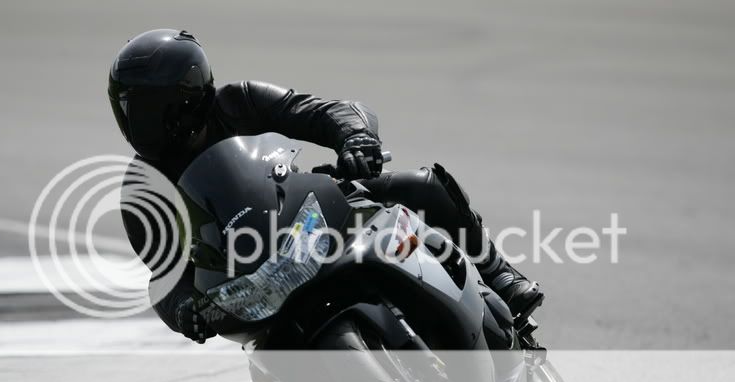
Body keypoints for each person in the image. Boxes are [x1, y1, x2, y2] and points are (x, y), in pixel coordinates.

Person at [108, 29, 543, 343]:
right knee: (271, 377)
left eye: (152, 109)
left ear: (191, 95)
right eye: (129, 109)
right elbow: (164, 272)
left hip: (307, 214)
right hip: (243, 278)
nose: (140, 124)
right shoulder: (142, 190)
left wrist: (354, 138)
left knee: (422, 185)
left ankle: (499, 274)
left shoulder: (238, 102)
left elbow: (321, 111)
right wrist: (185, 310)